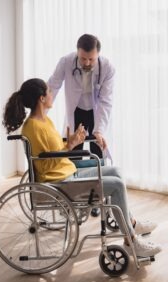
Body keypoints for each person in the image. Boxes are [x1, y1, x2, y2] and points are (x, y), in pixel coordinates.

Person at [2, 78, 162, 258]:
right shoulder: (33, 127)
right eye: (49, 91)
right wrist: (69, 147)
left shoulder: (45, 121)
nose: (52, 94)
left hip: (68, 172)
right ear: (41, 98)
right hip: (60, 182)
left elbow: (54, 150)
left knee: (116, 171)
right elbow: (44, 163)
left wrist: (71, 142)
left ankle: (130, 224)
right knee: (116, 185)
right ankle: (130, 239)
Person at [48, 34, 114, 217]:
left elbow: (106, 101)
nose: (86, 62)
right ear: (77, 52)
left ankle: (94, 199)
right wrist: (40, 115)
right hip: (76, 111)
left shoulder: (107, 67)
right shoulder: (66, 62)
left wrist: (99, 130)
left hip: (96, 111)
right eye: (83, 58)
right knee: (74, 156)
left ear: (98, 54)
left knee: (97, 154)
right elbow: (52, 86)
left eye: (91, 59)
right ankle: (74, 199)